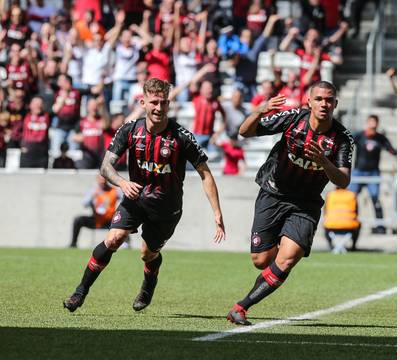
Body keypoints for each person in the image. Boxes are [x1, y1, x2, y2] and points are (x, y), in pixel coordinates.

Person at [63, 78, 226, 313]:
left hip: (166, 208)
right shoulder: (130, 130)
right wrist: (122, 183)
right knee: (113, 239)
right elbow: (105, 166)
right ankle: (80, 292)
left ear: (169, 104)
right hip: (135, 199)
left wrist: (217, 212)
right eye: (154, 102)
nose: (159, 108)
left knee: (147, 254)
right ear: (143, 102)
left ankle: (149, 284)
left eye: (163, 103)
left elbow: (206, 174)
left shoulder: (181, 137)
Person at [226, 81, 354, 326]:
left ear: (335, 104)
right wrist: (260, 110)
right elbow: (244, 131)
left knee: (287, 258)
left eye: (329, 100)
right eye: (319, 99)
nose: (324, 104)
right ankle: (274, 261)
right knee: (261, 261)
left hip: (305, 204)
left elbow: (344, 180)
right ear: (309, 101)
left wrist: (325, 162)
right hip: (273, 193)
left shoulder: (342, 138)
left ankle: (241, 307)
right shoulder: (294, 118)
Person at [348, 115, 397, 234]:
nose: (372, 125)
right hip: (358, 172)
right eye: (370, 122)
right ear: (367, 123)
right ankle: (349, 222)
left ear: (377, 124)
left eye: (375, 123)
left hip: (373, 174)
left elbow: (391, 151)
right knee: (351, 197)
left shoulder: (380, 138)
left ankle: (380, 226)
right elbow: (347, 142)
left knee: (375, 198)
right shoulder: (359, 135)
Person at [70, 174, 122, 248]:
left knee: (122, 220)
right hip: (96, 218)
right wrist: (92, 197)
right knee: (78, 220)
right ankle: (73, 243)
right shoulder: (94, 191)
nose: (103, 182)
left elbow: (124, 199)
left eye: (104, 180)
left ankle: (126, 244)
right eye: (101, 179)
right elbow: (84, 203)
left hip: (110, 220)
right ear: (97, 180)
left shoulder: (114, 190)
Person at [323, 187, 360, 251]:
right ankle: (353, 247)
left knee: (325, 224)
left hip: (331, 226)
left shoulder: (330, 194)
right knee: (359, 224)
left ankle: (331, 246)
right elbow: (356, 212)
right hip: (349, 226)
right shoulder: (352, 195)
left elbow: (325, 211)